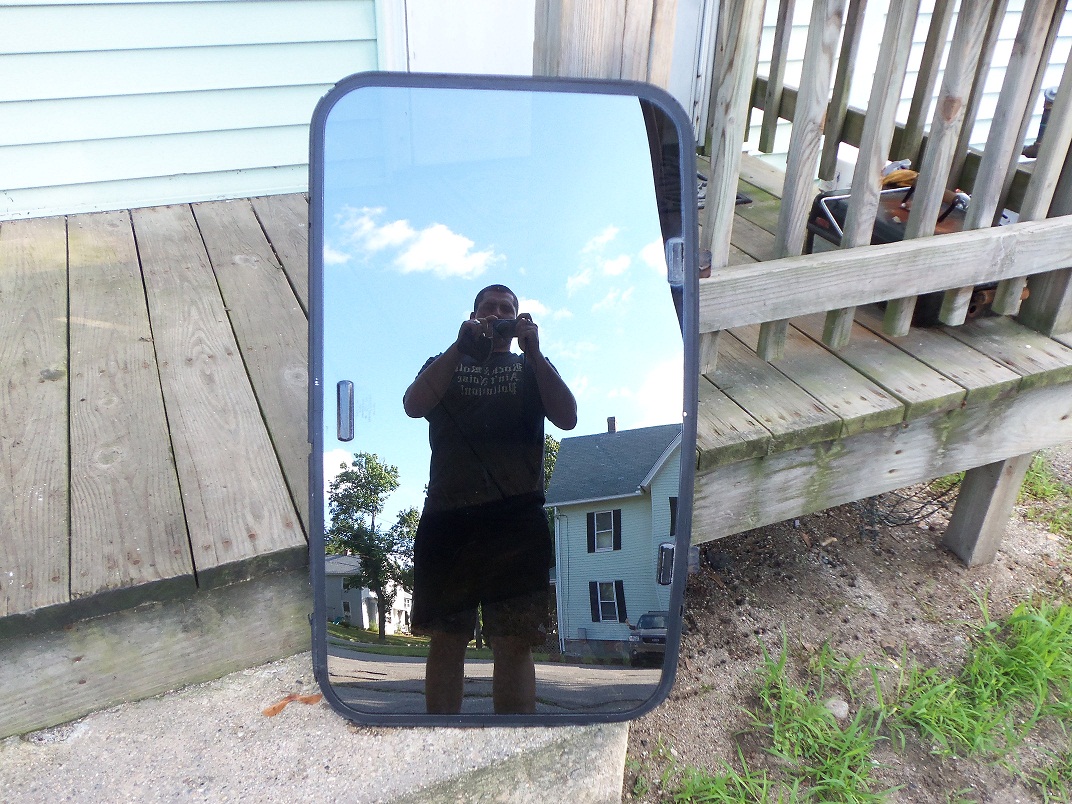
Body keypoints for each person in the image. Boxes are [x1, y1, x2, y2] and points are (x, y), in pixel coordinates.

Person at [402, 284, 577, 714]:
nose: (496, 314)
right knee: (447, 638)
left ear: (518, 321)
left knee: (514, 642)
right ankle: (440, 739)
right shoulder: (446, 361)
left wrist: (535, 353)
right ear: (473, 316)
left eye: (506, 309)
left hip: (516, 519)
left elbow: (568, 417)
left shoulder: (531, 366)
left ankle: (513, 742)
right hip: (449, 517)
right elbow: (413, 404)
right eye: (487, 308)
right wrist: (458, 347)